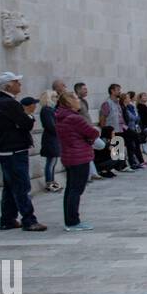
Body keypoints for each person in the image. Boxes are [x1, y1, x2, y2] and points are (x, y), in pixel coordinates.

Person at [0, 72, 44, 232]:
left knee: (10, 186)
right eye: (16, 82)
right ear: (8, 85)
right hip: (13, 150)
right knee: (21, 186)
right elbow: (25, 123)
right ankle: (29, 220)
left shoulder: (3, 102)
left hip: (7, 149)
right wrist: (28, 115)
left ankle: (8, 219)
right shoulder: (9, 103)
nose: (19, 85)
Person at [54, 90, 98, 232]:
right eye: (76, 99)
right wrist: (92, 135)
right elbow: (92, 132)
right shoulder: (74, 118)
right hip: (79, 156)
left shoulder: (60, 116)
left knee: (71, 188)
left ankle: (70, 220)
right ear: (70, 102)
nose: (79, 101)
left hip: (68, 155)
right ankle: (73, 221)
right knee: (76, 189)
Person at [38, 89, 62, 192]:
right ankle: (49, 182)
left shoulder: (52, 110)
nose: (57, 99)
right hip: (50, 139)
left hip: (54, 139)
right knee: (51, 161)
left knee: (53, 161)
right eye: (55, 97)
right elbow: (51, 126)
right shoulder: (46, 110)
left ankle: (52, 181)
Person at [120, 92, 147, 169]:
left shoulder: (126, 107)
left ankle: (133, 163)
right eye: (128, 98)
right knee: (125, 146)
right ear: (124, 99)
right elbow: (131, 118)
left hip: (127, 129)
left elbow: (136, 118)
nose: (129, 99)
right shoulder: (122, 108)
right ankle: (122, 165)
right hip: (122, 129)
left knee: (131, 146)